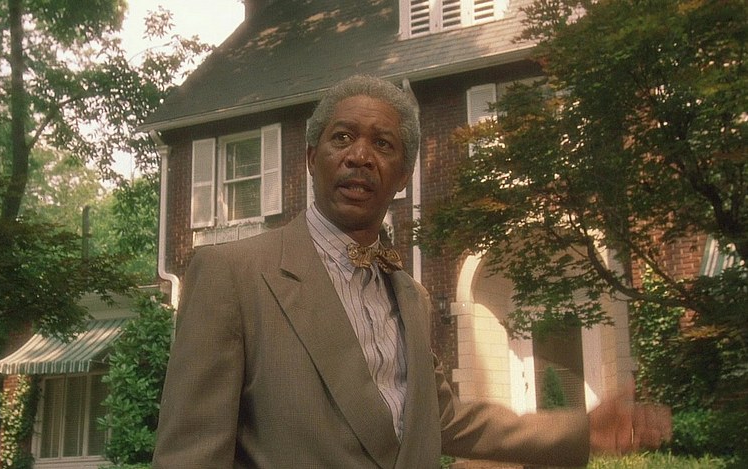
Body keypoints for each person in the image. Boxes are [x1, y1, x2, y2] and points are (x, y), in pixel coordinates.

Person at [152, 75, 671, 468]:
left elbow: (443, 419)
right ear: (311, 157)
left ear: (402, 176)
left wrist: (581, 431)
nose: (360, 156)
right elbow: (189, 457)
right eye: (342, 138)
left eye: (383, 144)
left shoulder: (412, 296)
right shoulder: (233, 274)